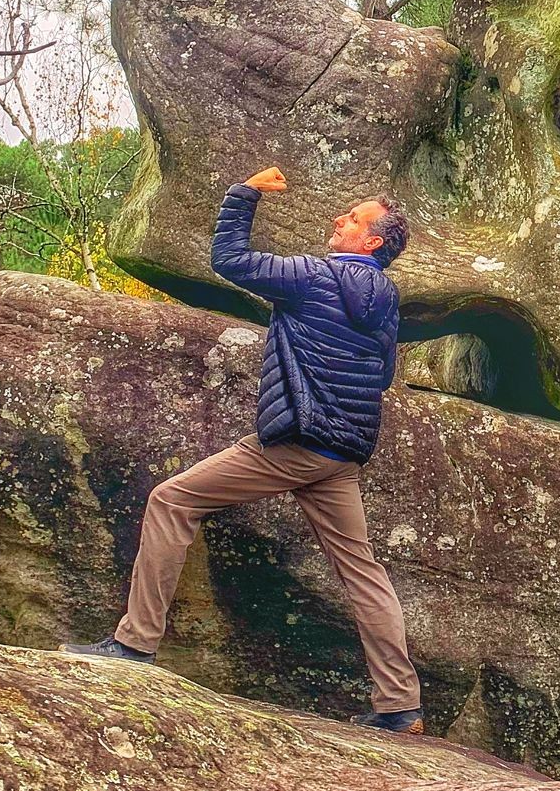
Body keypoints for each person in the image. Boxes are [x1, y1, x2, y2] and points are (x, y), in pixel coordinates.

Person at [63, 165, 424, 735]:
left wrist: (244, 195)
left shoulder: (314, 276)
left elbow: (230, 260)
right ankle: (400, 704)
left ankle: (134, 645)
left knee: (172, 502)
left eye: (351, 217)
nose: (339, 220)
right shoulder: (385, 299)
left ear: (370, 241)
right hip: (342, 455)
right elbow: (380, 374)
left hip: (297, 440)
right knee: (361, 572)